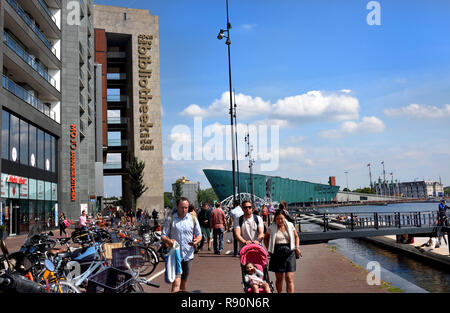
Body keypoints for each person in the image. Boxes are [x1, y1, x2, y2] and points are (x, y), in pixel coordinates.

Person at [161, 197, 202, 293]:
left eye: (186, 208)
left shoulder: (192, 219)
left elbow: (199, 234)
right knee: (176, 282)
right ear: (177, 207)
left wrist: (196, 241)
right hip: (175, 255)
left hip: (188, 255)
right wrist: (169, 241)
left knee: (183, 283)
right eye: (182, 207)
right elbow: (163, 235)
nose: (184, 210)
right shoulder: (170, 219)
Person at [263, 209, 301, 293]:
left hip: (290, 252)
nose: (279, 221)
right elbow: (265, 238)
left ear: (285, 218)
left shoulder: (290, 225)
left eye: (281, 218)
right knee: (279, 279)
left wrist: (297, 247)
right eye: (277, 219)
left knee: (289, 278)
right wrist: (268, 249)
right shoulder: (271, 227)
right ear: (275, 219)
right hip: (276, 253)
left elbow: (296, 237)